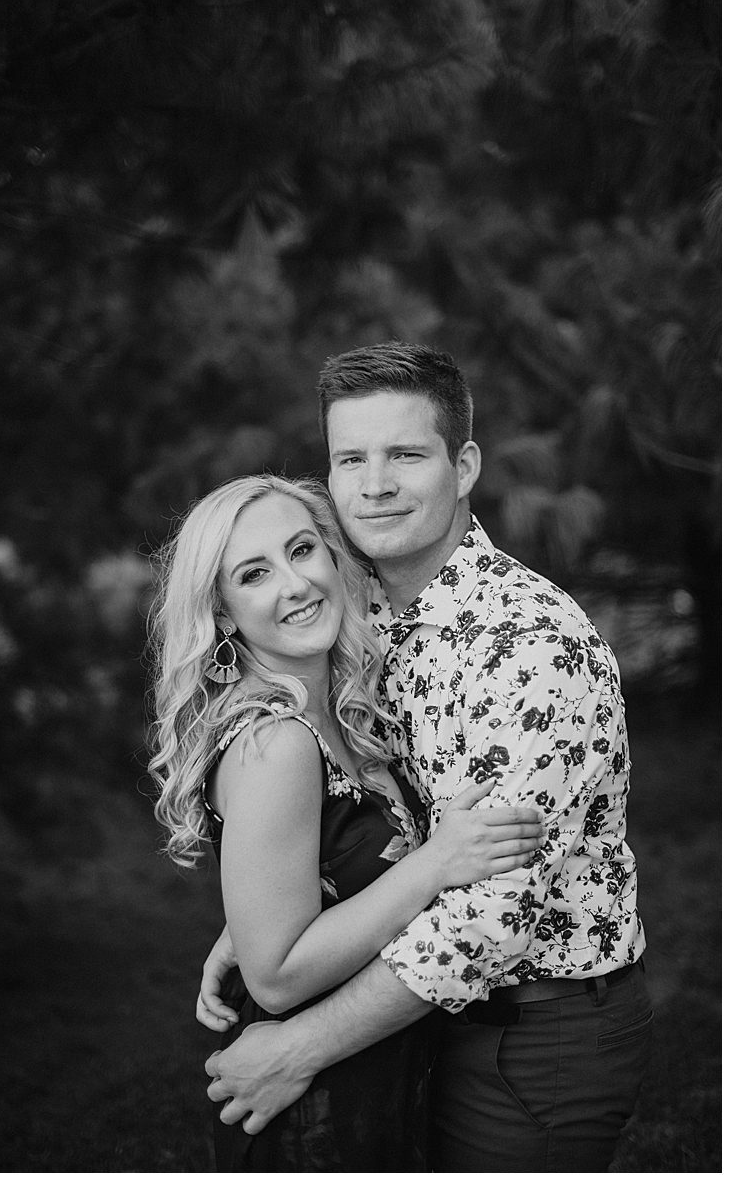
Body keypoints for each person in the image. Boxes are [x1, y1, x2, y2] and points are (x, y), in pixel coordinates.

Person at [200, 343, 651, 1170]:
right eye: (351, 459)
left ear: (464, 464)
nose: (375, 484)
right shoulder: (359, 618)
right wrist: (271, 909)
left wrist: (300, 1044)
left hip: (530, 1032)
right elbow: (381, 807)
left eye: (406, 454)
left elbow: (490, 915)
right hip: (421, 1025)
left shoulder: (529, 645)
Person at [147, 473, 544, 1169]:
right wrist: (437, 861)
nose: (295, 584)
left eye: (303, 550)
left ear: (333, 556)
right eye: (255, 574)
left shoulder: (339, 715)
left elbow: (317, 879)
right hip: (314, 1112)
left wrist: (249, 918)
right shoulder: (279, 743)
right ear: (226, 615)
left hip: (381, 1083)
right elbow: (274, 976)